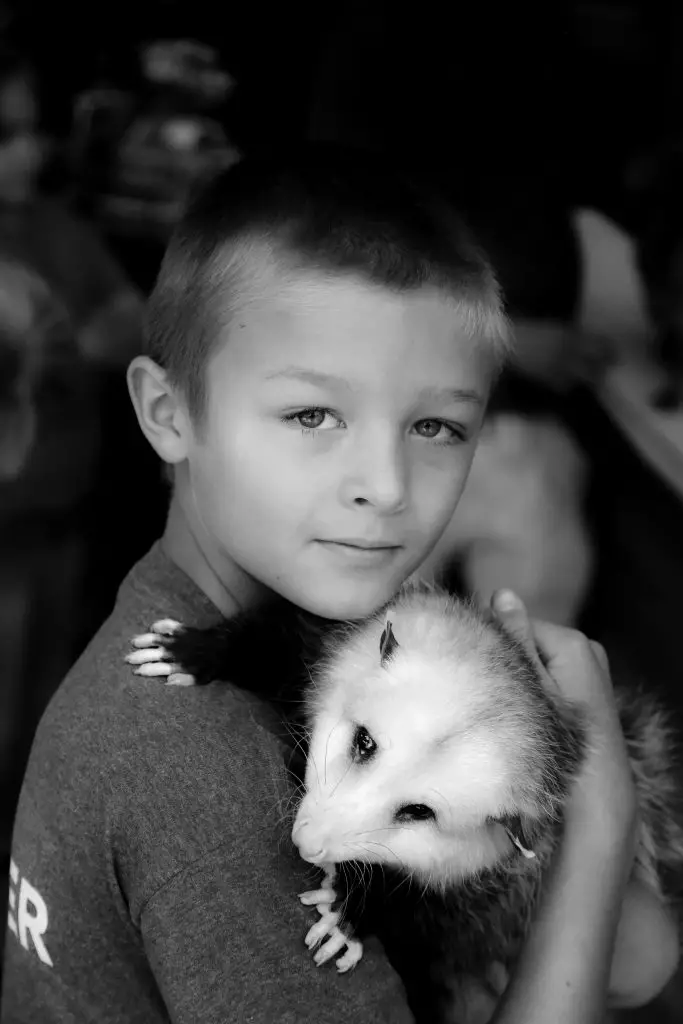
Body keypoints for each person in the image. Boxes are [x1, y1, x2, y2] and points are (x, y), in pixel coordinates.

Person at [2, 144, 678, 1023]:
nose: (388, 486)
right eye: (312, 414)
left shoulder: (203, 613)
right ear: (170, 414)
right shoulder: (213, 803)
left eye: (436, 425)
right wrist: (596, 825)